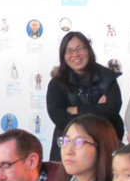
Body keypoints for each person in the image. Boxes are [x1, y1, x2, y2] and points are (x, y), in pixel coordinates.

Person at [46, 31, 123, 161]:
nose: (75, 54)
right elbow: (58, 116)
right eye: (69, 51)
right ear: (63, 56)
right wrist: (96, 109)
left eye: (80, 48)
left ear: (89, 50)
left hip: (104, 145)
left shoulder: (107, 77)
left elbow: (112, 109)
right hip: (68, 148)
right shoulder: (57, 82)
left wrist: (77, 110)